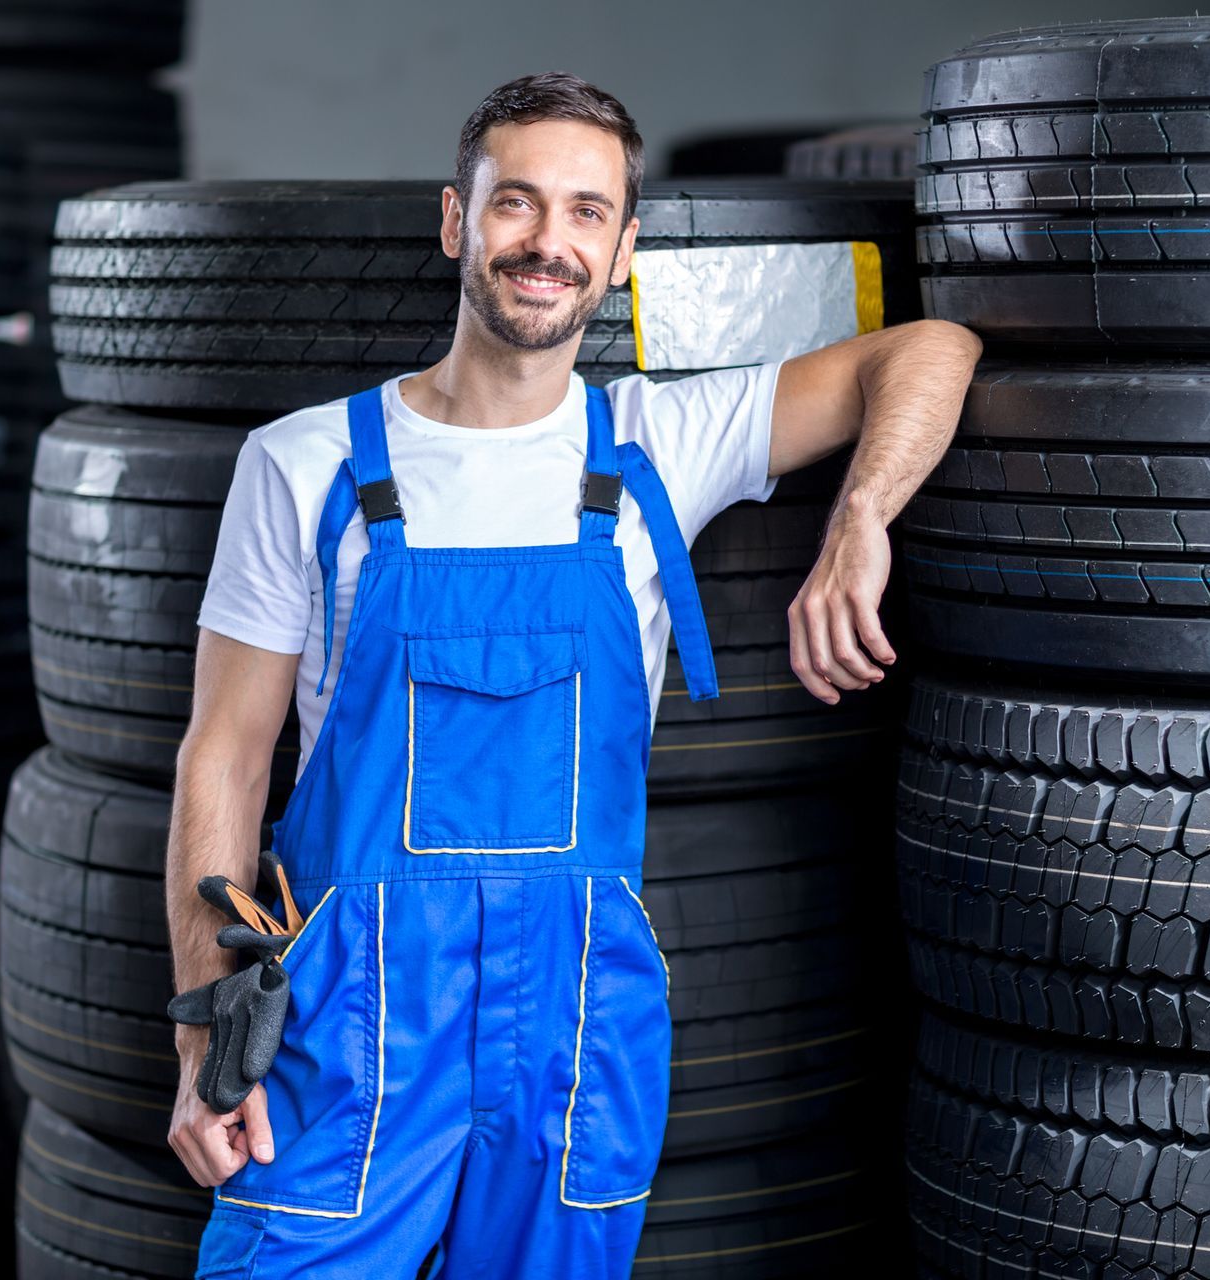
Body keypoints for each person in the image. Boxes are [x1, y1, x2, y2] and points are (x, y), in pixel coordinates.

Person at [164, 71, 979, 1279]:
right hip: (354, 1019)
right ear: (457, 220)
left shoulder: (660, 444)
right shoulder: (305, 463)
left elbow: (931, 349)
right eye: (518, 205)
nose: (550, 243)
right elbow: (223, 756)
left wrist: (862, 516)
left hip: (575, 1024)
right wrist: (203, 1038)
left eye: (589, 213)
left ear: (625, 248)